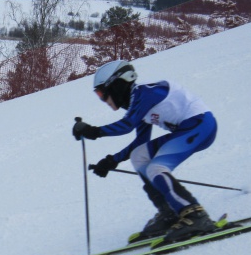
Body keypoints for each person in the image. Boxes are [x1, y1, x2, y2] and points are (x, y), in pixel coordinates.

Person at [72, 60, 218, 244]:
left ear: (116, 84)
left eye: (102, 93)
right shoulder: (138, 103)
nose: (103, 100)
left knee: (156, 168)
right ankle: (169, 213)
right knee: (140, 156)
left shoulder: (145, 93)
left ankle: (195, 215)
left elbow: (126, 126)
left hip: (201, 125)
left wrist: (94, 131)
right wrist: (111, 160)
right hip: (189, 130)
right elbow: (140, 142)